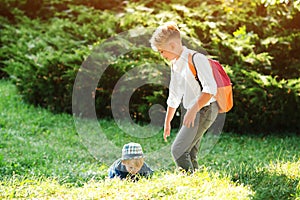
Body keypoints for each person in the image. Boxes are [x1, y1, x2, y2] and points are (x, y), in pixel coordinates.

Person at [149, 21, 219, 172]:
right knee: (190, 153)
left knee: (179, 151)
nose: (162, 55)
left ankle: (189, 180)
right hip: (194, 111)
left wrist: (193, 110)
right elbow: (174, 94)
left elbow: (210, 89)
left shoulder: (196, 59)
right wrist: (168, 121)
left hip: (205, 109)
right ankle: (195, 183)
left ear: (173, 45)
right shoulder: (175, 64)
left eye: (162, 51)